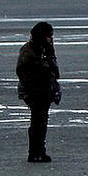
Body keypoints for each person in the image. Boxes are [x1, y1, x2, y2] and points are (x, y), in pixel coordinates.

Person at [15, 21, 60, 162]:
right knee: (37, 121)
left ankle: (40, 150)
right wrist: (32, 88)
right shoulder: (28, 51)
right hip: (33, 91)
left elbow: (54, 69)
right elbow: (22, 72)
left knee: (42, 120)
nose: (50, 39)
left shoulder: (46, 50)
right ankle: (34, 152)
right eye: (48, 36)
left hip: (45, 90)